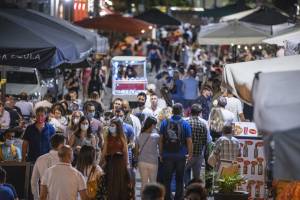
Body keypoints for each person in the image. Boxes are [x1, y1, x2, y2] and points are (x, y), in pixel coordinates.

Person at [159, 103, 193, 200]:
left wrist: (161, 153)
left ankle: (167, 197)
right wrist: (190, 154)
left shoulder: (165, 122)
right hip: (181, 155)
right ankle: (179, 197)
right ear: (182, 111)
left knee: (167, 179)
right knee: (179, 178)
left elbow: (161, 140)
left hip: (167, 154)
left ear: (172, 111)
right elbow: (189, 141)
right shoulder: (185, 123)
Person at [100, 118, 133, 200]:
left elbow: (125, 151)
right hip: (110, 163)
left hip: (120, 163)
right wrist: (99, 164)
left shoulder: (122, 136)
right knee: (111, 183)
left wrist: (127, 164)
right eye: (110, 125)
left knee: (121, 184)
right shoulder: (108, 137)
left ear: (118, 127)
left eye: (113, 125)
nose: (111, 127)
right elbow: (104, 151)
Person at [31, 134, 65, 200]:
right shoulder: (64, 160)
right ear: (61, 145)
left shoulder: (40, 159)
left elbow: (33, 181)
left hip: (43, 196)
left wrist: (36, 197)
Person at [185, 104, 207, 185]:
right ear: (199, 113)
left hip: (187, 154)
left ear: (190, 111)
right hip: (198, 154)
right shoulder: (203, 124)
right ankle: (195, 192)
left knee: (185, 172)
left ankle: (187, 189)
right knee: (196, 177)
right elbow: (205, 141)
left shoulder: (186, 123)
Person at [137, 116, 160, 190]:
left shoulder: (139, 135)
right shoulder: (156, 136)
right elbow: (160, 148)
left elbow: (136, 150)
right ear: (152, 125)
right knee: (153, 183)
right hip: (153, 162)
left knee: (144, 183)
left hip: (142, 161)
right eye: (155, 125)